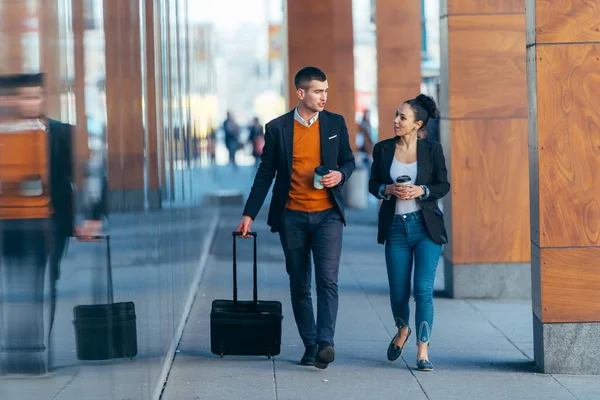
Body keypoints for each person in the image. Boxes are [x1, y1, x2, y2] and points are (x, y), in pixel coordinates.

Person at [237, 66, 355, 369]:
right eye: (318, 91)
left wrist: (340, 175)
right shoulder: (277, 128)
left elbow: (349, 161)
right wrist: (249, 213)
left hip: (327, 215)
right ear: (300, 93)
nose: (324, 97)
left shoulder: (335, 123)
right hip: (292, 216)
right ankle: (310, 342)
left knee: (328, 281)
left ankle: (325, 342)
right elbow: (266, 173)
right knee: (300, 283)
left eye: (326, 91)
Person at [368, 94, 450, 371]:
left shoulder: (433, 150)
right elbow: (373, 184)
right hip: (395, 227)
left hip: (425, 227)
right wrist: (387, 189)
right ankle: (403, 330)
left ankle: (423, 350)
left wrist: (422, 190)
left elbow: (443, 185)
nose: (396, 121)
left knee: (423, 290)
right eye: (396, 115)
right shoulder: (382, 149)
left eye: (402, 117)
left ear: (417, 124)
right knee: (398, 293)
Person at [0, 73, 75, 375]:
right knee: (14, 288)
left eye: (35, 96)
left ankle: (33, 351)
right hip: (10, 220)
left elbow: (78, 175)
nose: (29, 102)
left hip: (48, 222)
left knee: (37, 286)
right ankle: (17, 351)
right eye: (23, 96)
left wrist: (89, 218)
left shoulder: (60, 133)